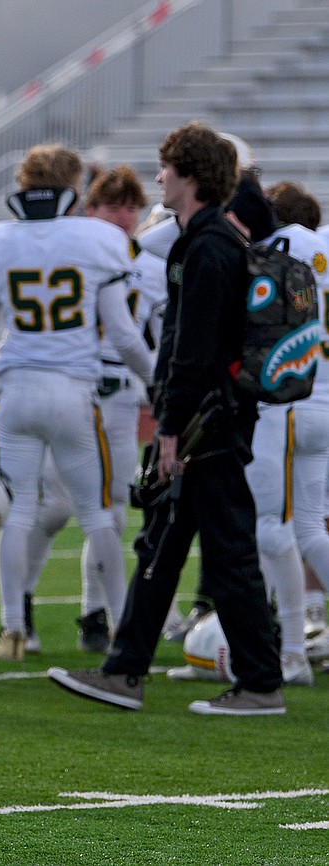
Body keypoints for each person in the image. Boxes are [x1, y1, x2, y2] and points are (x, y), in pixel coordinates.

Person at [50, 121, 286, 716]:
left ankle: (260, 683)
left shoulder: (206, 246)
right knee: (162, 546)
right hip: (209, 418)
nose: (158, 177)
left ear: (191, 176)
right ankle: (125, 670)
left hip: (208, 423)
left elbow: (193, 348)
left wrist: (171, 428)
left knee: (228, 554)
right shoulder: (204, 240)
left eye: (167, 168)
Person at [0, 144, 153, 662]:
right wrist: (160, 383)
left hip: (16, 391)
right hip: (73, 392)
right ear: (74, 186)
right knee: (97, 515)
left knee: (19, 513)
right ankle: (120, 627)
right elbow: (128, 339)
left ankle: (13, 629)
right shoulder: (99, 240)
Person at [21, 166, 166, 653]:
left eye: (132, 206)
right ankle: (19, 603)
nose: (124, 216)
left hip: (120, 392)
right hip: (72, 388)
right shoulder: (73, 252)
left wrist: (155, 383)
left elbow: (147, 335)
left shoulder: (150, 262)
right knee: (56, 507)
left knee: (112, 511)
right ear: (90, 209)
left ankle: (93, 614)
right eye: (114, 206)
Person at [235, 178, 329, 686]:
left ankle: (291, 651)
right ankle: (292, 643)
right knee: (309, 528)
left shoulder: (274, 247)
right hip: (324, 402)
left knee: (272, 529)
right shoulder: (321, 246)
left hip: (286, 402)